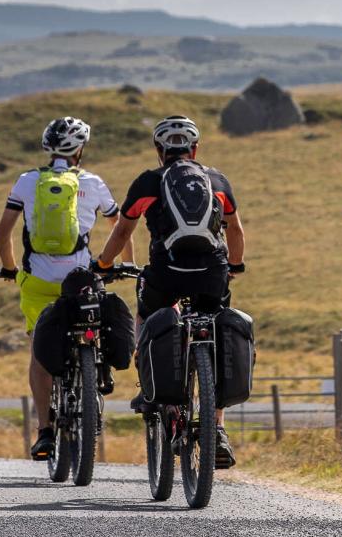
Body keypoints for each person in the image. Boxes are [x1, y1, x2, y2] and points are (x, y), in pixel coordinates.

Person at [93, 115, 245, 466]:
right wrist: (234, 267)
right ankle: (217, 428)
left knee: (148, 314)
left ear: (159, 150)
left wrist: (103, 264)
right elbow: (234, 229)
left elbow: (122, 232)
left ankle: (151, 390)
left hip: (167, 273)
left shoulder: (148, 181)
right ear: (195, 148)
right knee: (217, 328)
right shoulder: (216, 179)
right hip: (212, 273)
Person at [0, 116, 132, 460]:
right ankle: (96, 373)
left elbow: (2, 233)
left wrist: (11, 270)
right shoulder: (94, 183)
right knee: (92, 328)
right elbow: (120, 229)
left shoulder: (27, 182)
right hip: (80, 282)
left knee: (39, 352)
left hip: (38, 284)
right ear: (80, 150)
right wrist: (121, 265)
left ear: (47, 148)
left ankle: (44, 431)